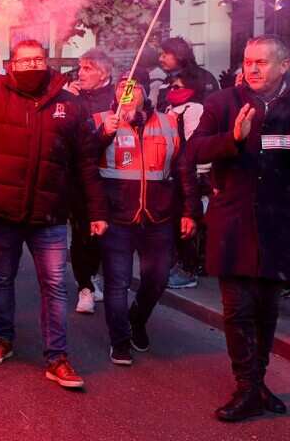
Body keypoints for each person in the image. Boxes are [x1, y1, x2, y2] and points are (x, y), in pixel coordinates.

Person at [0, 2, 106, 390]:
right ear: (10, 64)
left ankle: (57, 357)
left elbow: (86, 164)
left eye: (36, 59)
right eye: (22, 60)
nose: (30, 66)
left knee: (54, 284)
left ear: (45, 62)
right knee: (2, 278)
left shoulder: (70, 104)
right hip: (2, 212)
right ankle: (3, 338)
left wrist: (96, 210)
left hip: (49, 216)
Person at [187, 35, 290, 422]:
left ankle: (257, 381)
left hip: (278, 222)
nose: (251, 68)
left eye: (261, 63)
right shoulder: (221, 102)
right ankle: (246, 387)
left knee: (267, 308)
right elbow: (194, 152)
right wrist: (232, 138)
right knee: (238, 309)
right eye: (248, 61)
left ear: (284, 66)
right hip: (232, 221)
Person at [92, 82, 199, 366]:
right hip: (117, 216)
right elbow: (85, 161)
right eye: (121, 87)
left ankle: (137, 319)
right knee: (117, 282)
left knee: (158, 278)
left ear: (145, 92)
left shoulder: (168, 121)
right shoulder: (101, 121)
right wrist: (104, 135)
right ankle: (120, 340)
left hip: (158, 216)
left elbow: (184, 169)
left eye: (134, 87)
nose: (127, 93)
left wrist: (190, 210)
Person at [65, 48, 116, 315]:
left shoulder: (117, 97)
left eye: (87, 68)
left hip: (112, 175)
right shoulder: (73, 98)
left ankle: (99, 278)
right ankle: (84, 285)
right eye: (80, 68)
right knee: (82, 234)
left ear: (103, 73)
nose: (80, 73)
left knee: (102, 234)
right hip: (81, 178)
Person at [164, 71, 209, 289]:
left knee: (188, 221)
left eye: (178, 87)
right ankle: (179, 264)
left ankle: (189, 269)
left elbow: (192, 144)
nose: (173, 91)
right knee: (175, 222)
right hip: (172, 172)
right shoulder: (170, 109)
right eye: (172, 87)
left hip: (191, 173)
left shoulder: (195, 109)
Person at [157, 37, 219, 109]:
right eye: (160, 55)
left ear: (179, 54)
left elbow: (211, 108)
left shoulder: (203, 78)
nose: (160, 59)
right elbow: (161, 110)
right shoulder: (166, 81)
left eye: (165, 54)